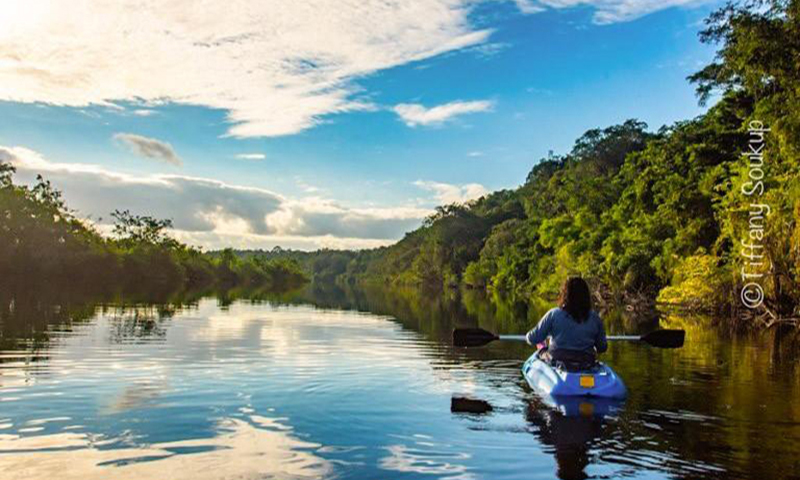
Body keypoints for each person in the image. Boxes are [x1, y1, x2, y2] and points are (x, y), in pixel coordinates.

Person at [526, 277, 607, 366]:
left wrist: (529, 337)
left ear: (565, 294)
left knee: (541, 347)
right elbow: (602, 347)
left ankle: (543, 351)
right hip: (586, 362)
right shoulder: (595, 318)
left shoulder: (554, 314)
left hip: (557, 360)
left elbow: (532, 338)